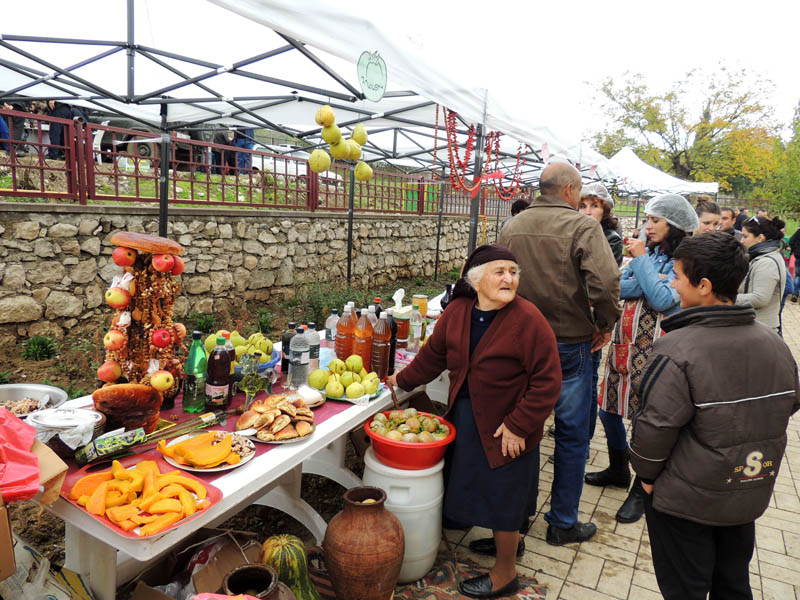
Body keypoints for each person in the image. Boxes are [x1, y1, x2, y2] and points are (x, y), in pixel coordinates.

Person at [629, 231, 800, 600]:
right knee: (733, 584)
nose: (671, 284)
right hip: (747, 491)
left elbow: (655, 427)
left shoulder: (676, 348)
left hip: (686, 502)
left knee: (685, 589)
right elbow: (789, 401)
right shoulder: (775, 343)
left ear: (703, 285)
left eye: (676, 276)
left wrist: (644, 476)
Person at [387, 244, 561, 599]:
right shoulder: (458, 312)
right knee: (481, 484)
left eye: (513, 272)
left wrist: (519, 424)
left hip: (506, 424)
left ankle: (505, 572)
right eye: (500, 272)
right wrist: (400, 381)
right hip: (468, 415)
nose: (509, 279)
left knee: (505, 495)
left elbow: (548, 380)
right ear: (476, 279)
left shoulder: (529, 319)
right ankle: (508, 544)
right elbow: (433, 356)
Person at [499, 161, 621, 545]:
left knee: (521, 430)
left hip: (518, 344)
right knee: (571, 436)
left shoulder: (512, 226)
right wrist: (605, 324)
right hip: (568, 344)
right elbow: (605, 282)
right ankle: (563, 522)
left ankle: (514, 524)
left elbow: (495, 276)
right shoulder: (583, 227)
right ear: (569, 191)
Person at [590, 193, 697, 524]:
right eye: (647, 220)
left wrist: (641, 267)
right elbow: (620, 287)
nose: (647, 227)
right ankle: (618, 469)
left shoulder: (687, 259)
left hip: (656, 352)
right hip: (626, 346)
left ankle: (641, 488)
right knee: (608, 408)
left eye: (655, 221)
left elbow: (665, 300)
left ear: (674, 225)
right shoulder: (650, 254)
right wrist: (646, 275)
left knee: (646, 420)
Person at [735, 215, 787, 335]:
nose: (742, 241)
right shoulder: (763, 257)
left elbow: (760, 299)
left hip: (762, 329)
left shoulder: (767, 262)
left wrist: (727, 298)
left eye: (745, 236)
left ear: (760, 238)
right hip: (758, 327)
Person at [578, 182, 623, 263]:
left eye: (595, 206)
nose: (587, 212)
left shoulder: (611, 239)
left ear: (605, 211)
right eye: (583, 206)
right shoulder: (573, 233)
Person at [788, 226, 800, 302]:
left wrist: (795, 250)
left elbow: (791, 241)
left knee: (798, 275)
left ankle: (795, 294)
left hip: (799, 255)